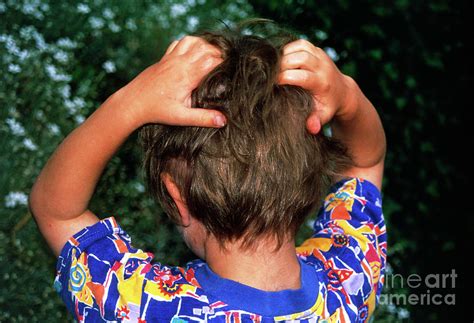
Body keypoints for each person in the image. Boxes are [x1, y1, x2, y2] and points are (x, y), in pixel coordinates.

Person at [29, 23, 387, 322]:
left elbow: (56, 209)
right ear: (311, 175)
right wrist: (348, 96)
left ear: (177, 197)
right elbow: (364, 161)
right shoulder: (348, 283)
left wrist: (130, 104)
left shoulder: (142, 306)